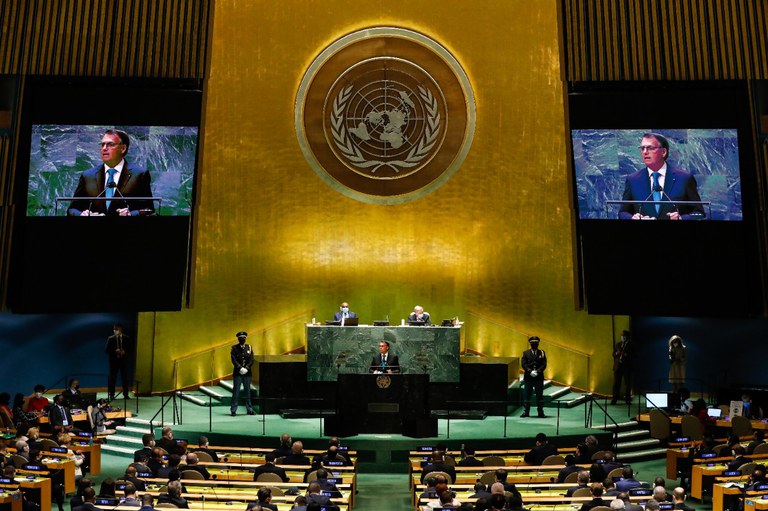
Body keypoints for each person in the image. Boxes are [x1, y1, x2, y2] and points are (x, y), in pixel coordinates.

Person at [618, 132, 705, 220]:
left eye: (650, 148)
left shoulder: (684, 178)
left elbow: (699, 213)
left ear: (663, 152)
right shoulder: (633, 180)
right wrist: (632, 218)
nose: (645, 152)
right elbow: (623, 212)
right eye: (642, 148)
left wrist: (681, 218)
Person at [68, 129, 154, 217]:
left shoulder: (139, 174)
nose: (104, 148)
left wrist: (131, 214)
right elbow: (72, 210)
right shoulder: (88, 176)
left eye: (110, 144)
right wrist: (82, 214)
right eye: (102, 144)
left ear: (123, 148)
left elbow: (149, 210)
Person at [230, 331, 256, 416]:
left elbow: (252, 359)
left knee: (247, 392)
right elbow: (233, 360)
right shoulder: (234, 348)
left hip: (247, 373)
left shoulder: (249, 347)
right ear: (238, 338)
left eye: (244, 337)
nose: (242, 339)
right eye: (241, 337)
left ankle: (249, 409)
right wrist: (240, 368)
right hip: (238, 373)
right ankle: (233, 410)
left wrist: (247, 368)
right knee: (236, 392)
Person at [521, 336, 547, 418]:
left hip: (538, 378)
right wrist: (530, 371)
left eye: (536, 342)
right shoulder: (526, 353)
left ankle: (540, 412)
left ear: (538, 343)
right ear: (530, 343)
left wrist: (538, 371)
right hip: (529, 378)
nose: (534, 344)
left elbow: (544, 364)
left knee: (539, 396)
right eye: (533, 342)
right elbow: (523, 364)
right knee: (527, 395)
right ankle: (526, 412)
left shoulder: (542, 353)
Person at [105, 324, 132, 400]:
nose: (114, 331)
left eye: (116, 329)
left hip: (124, 361)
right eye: (114, 329)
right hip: (114, 361)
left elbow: (130, 349)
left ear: (120, 330)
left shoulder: (127, 338)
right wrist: (115, 351)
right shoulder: (110, 338)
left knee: (125, 378)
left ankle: (126, 394)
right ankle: (112, 394)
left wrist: (125, 351)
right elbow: (106, 350)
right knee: (112, 378)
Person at [611, 330, 633, 404]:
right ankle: (614, 399)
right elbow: (613, 354)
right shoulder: (618, 344)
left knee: (627, 384)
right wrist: (617, 353)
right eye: (622, 336)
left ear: (627, 337)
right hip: (618, 366)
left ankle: (627, 399)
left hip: (626, 366)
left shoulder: (631, 345)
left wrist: (625, 354)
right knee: (616, 383)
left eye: (624, 336)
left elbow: (634, 355)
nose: (622, 337)